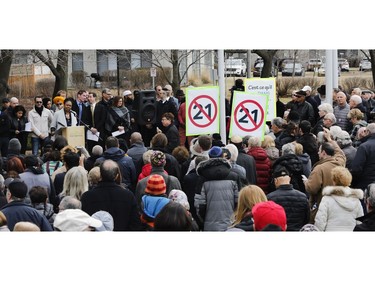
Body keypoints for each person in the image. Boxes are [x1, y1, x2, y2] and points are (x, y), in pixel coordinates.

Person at [80, 160, 142, 231]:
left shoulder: (87, 197)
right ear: (116, 176)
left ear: (101, 175)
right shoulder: (128, 196)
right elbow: (135, 224)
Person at [302, 128, 346, 223]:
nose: (318, 152)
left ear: (323, 153)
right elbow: (340, 153)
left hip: (322, 207)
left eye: (319, 151)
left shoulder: (319, 168)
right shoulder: (340, 162)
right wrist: (330, 139)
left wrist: (306, 182)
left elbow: (312, 188)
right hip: (338, 206)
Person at [314, 166, 363, 231]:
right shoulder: (356, 200)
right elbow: (360, 223)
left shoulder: (327, 199)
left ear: (334, 180)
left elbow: (320, 222)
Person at [267, 166, 310, 231]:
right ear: (289, 179)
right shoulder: (303, 197)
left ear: (275, 181)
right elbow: (307, 218)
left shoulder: (270, 198)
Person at [351, 123, 375, 191]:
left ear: (367, 132)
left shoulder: (364, 146)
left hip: (365, 185)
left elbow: (356, 168)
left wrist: (353, 184)